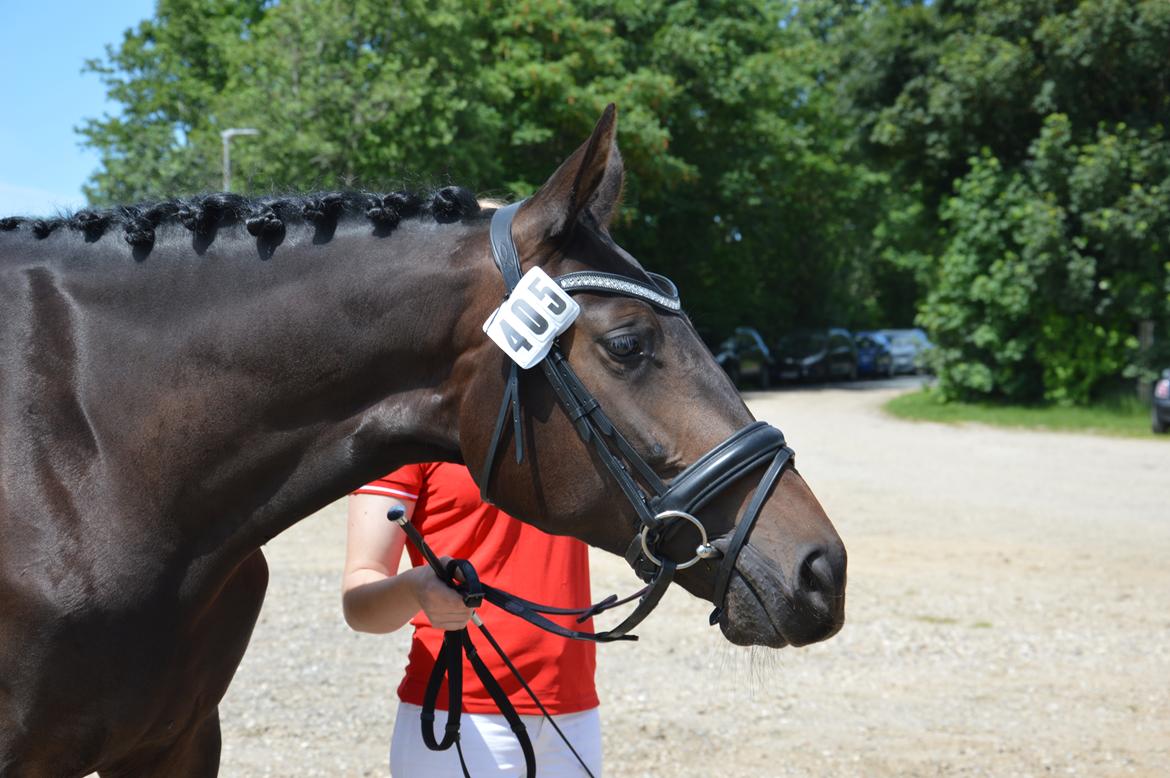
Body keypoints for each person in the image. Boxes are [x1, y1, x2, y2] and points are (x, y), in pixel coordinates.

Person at [343, 462, 602, 777]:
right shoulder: (413, 434)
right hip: (457, 714)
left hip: (574, 710)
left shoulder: (567, 423)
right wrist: (415, 588)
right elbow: (358, 600)